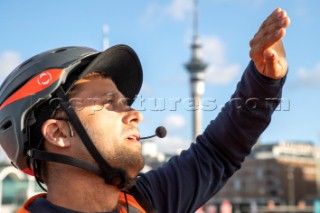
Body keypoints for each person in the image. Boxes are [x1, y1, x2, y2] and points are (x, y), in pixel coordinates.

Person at [0, 8, 290, 213]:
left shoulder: (146, 201)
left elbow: (218, 153)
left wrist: (263, 81)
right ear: (58, 132)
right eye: (109, 103)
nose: (135, 115)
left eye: (126, 103)